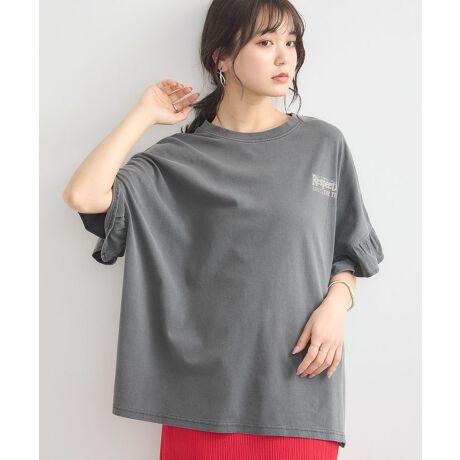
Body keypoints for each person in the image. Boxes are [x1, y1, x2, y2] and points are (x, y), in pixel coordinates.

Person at [63, 1, 384, 459]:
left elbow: (348, 249)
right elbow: (84, 196)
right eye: (266, 42)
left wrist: (337, 305)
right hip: (201, 406)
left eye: (291, 42)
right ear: (222, 56)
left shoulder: (323, 144)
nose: (285, 57)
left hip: (299, 394)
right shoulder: (177, 160)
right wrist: (144, 114)